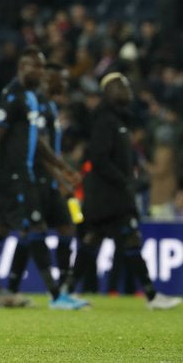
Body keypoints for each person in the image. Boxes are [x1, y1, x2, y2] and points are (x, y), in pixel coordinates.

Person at [0, 46, 87, 310]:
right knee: (34, 230)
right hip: (14, 176)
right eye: (38, 67)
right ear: (23, 67)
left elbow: (39, 144)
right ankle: (56, 296)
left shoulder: (32, 98)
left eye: (44, 68)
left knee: (1, 228)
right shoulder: (12, 96)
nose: (42, 73)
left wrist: (63, 167)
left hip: (27, 175)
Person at [61, 73, 181, 310]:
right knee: (126, 238)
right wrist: (125, 181)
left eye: (126, 85)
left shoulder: (119, 120)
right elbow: (99, 158)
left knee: (94, 241)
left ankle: (66, 291)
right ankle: (151, 295)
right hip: (109, 196)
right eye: (119, 86)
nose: (126, 89)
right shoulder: (106, 121)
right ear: (108, 92)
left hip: (109, 195)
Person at [0, 62, 77, 307]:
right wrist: (61, 175)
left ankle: (60, 289)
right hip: (37, 178)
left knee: (61, 228)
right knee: (33, 230)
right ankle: (54, 293)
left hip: (46, 177)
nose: (64, 83)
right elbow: (40, 148)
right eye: (60, 78)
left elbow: (48, 147)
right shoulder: (37, 104)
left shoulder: (50, 105)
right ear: (49, 78)